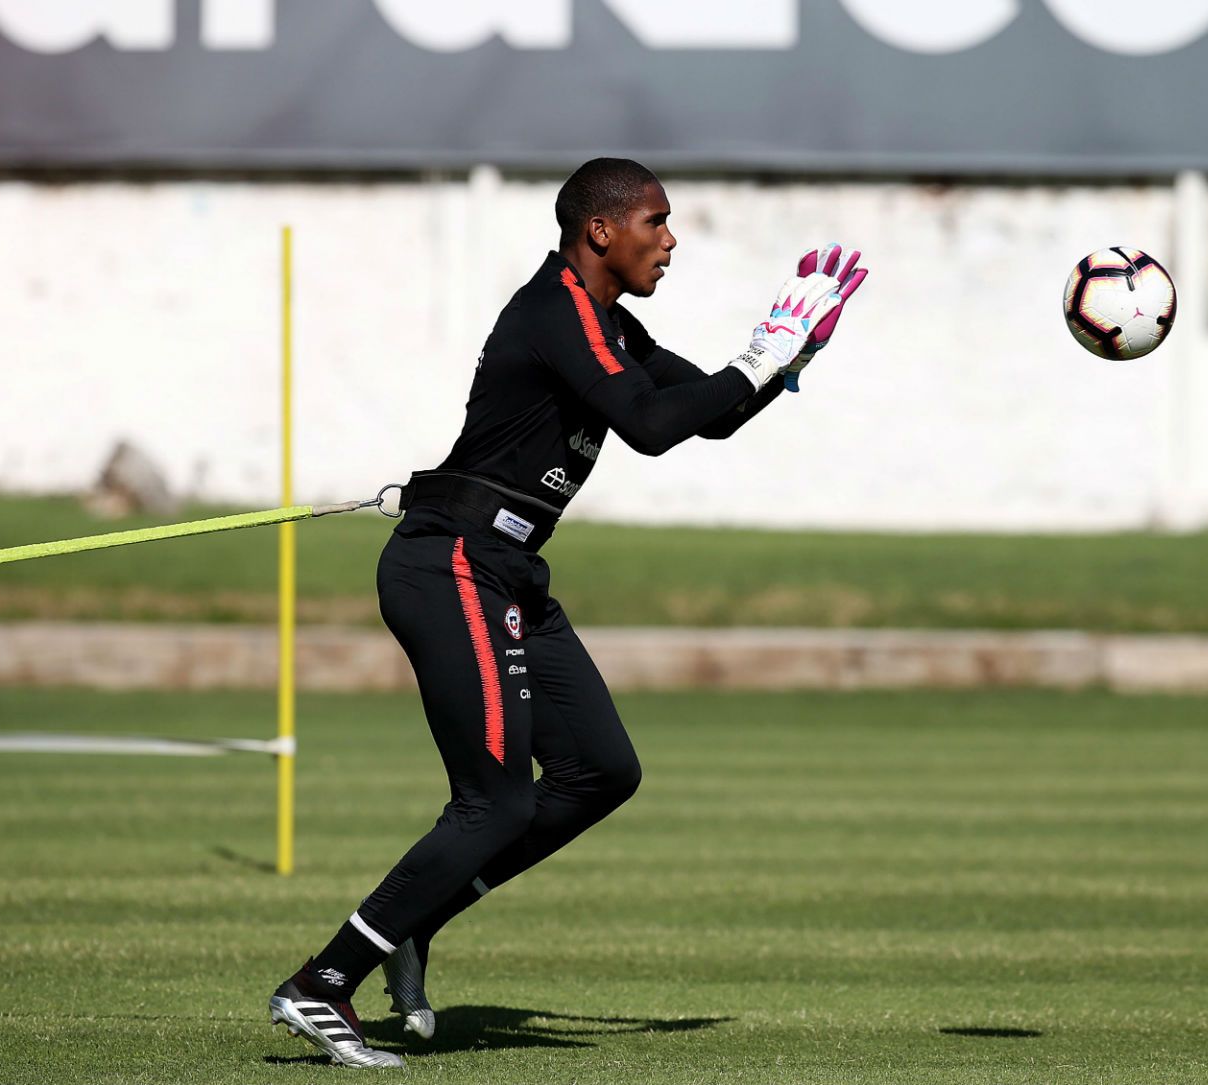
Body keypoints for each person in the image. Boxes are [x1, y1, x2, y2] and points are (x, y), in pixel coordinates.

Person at [268, 157, 869, 1069]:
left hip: (506, 568)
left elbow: (703, 412)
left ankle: (413, 924)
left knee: (600, 769)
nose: (670, 240)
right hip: (453, 563)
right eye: (656, 222)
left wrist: (789, 354)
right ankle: (325, 980)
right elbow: (651, 428)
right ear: (601, 231)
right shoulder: (554, 310)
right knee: (498, 801)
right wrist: (760, 350)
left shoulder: (608, 322)